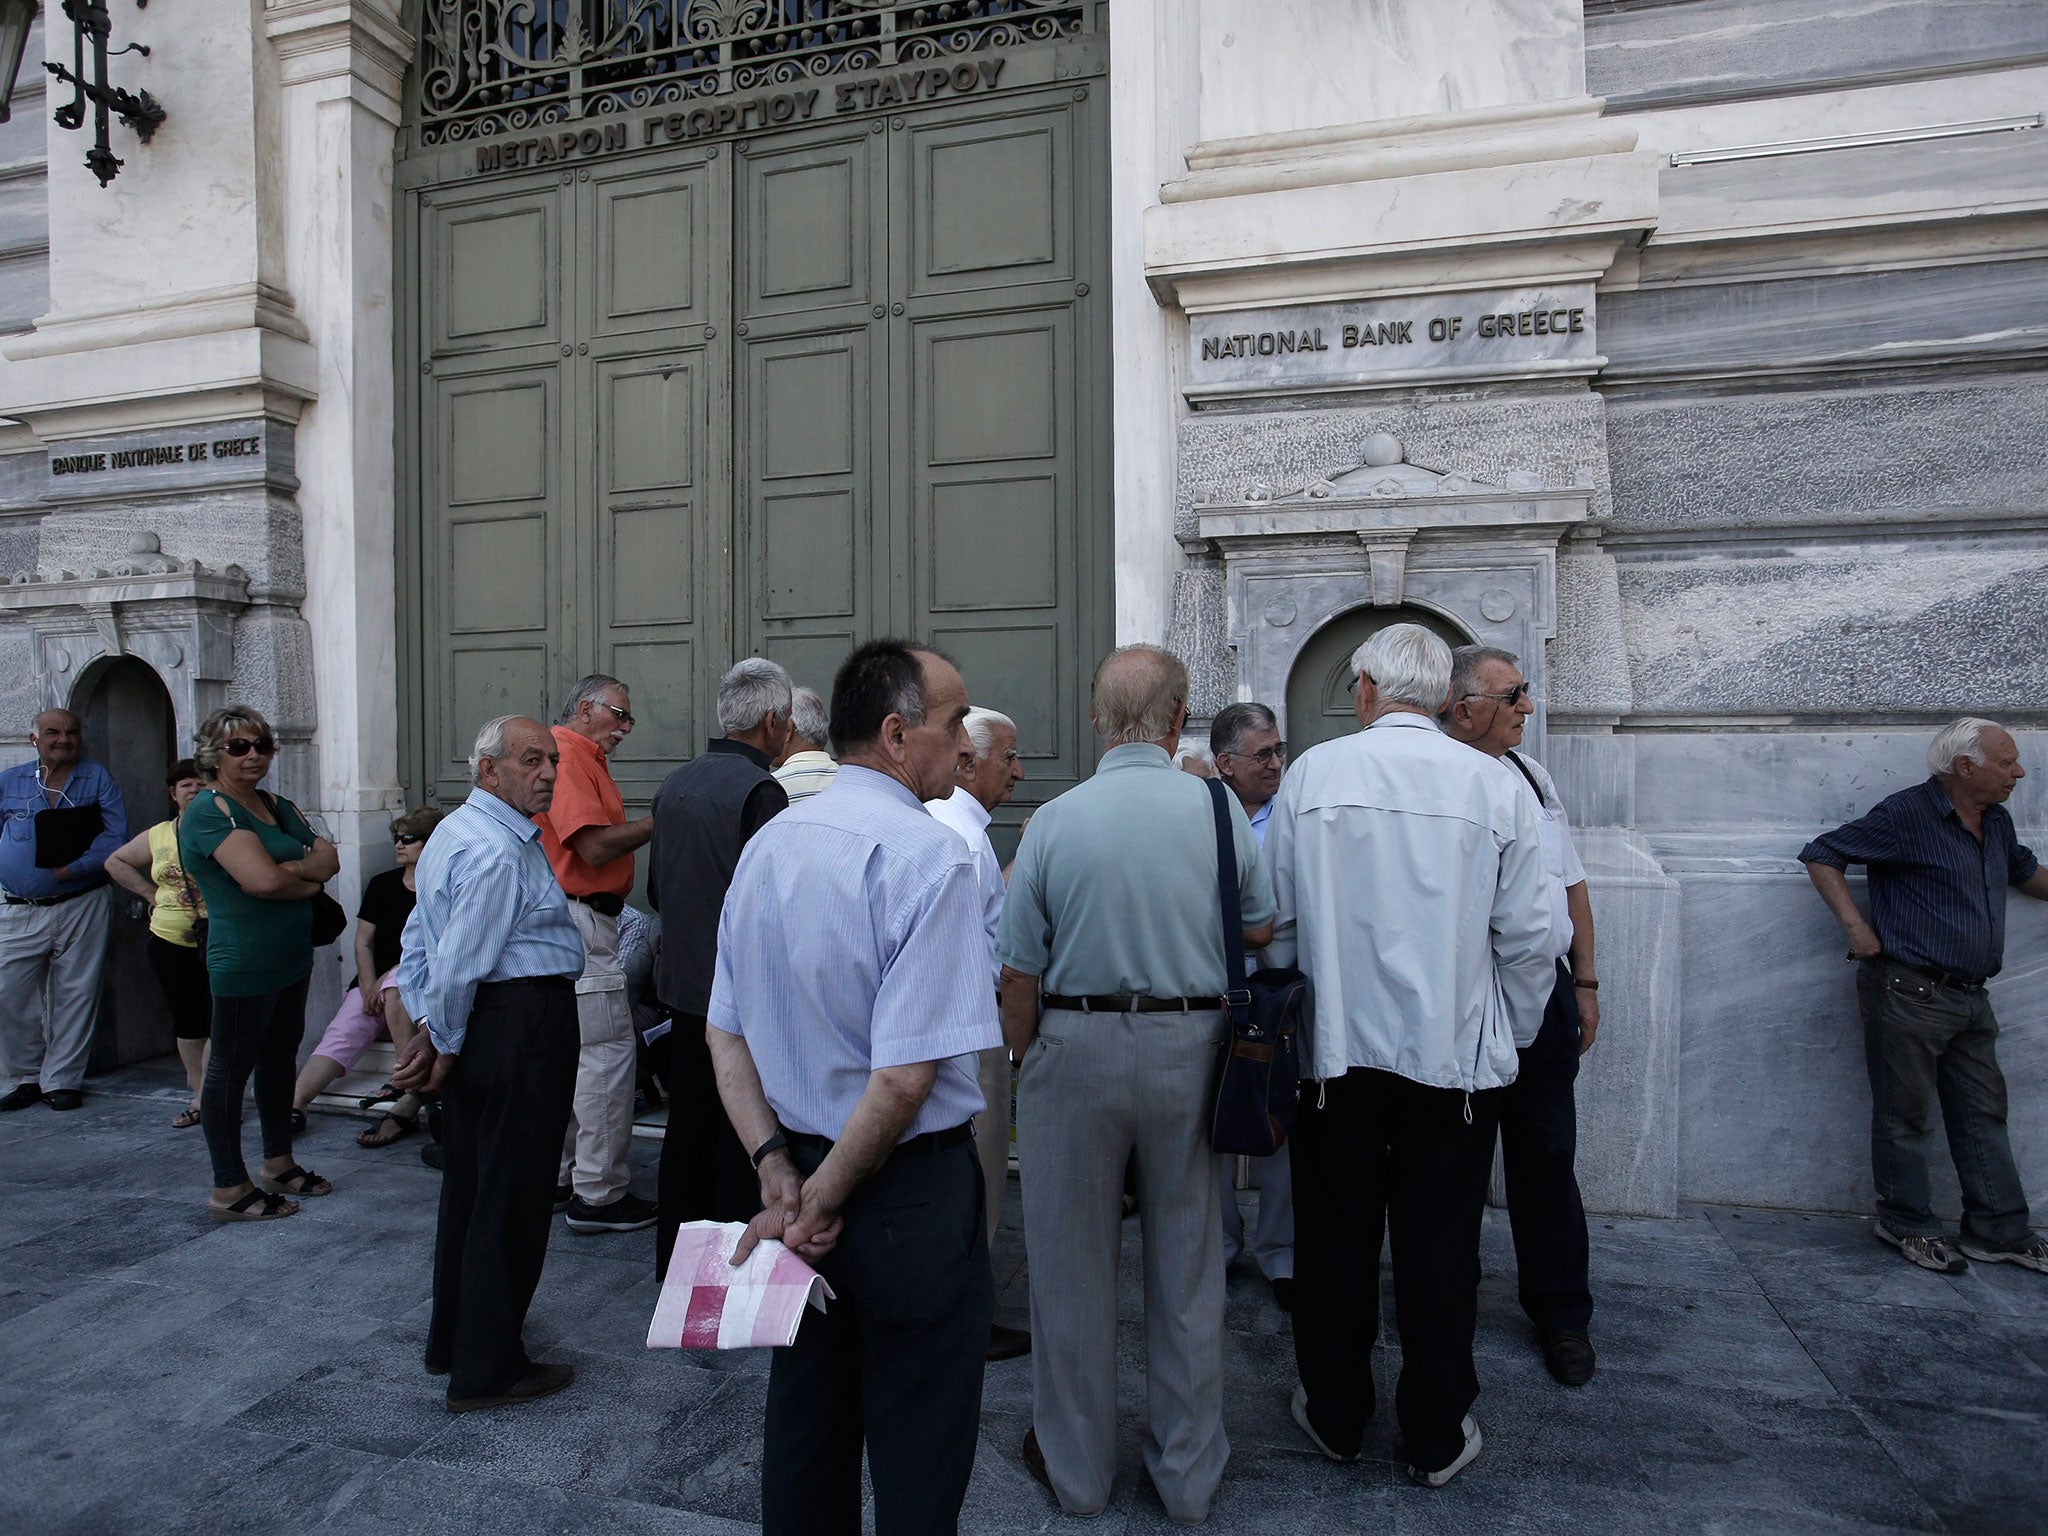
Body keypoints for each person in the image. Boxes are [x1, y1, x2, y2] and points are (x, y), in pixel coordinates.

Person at [707, 639, 997, 1536]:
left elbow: (726, 1029)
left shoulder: (771, 843)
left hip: (802, 1173)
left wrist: (777, 1172)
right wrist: (817, 1199)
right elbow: (906, 1077)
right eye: (954, 723)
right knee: (919, 1441)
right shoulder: (929, 856)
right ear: (897, 732)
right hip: (903, 1194)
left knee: (808, 1423)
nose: (965, 743)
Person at [1266, 623, 1553, 1488]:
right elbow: (1534, 934)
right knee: (1441, 1248)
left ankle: (1336, 1413)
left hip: (1335, 1057)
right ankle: (1433, 1430)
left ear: (1364, 690)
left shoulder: (1314, 774)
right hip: (1452, 1065)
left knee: (1334, 1244)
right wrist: (1516, 1032)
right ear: (1440, 698)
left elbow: (1275, 923)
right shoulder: (1493, 786)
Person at [997, 645, 1274, 1525]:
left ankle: (1077, 1476)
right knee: (1188, 1269)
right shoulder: (1218, 808)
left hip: (1072, 1043)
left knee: (1069, 1272)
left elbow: (1019, 975)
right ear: (1179, 714)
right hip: (1191, 1045)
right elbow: (1260, 926)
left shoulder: (1055, 819)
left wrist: (1024, 1064)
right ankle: (1186, 1477)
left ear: (1093, 718)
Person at [1800, 717, 2048, 1276]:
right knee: (1904, 1115)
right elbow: (1822, 853)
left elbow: (2025, 873)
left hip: (1971, 996)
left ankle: (1998, 1230)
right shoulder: (1908, 814)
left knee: (1984, 1114)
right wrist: (1857, 929)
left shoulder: (1995, 821)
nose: (2018, 771)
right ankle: (1906, 1222)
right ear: (1965, 767)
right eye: (2006, 762)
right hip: (1909, 989)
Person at [391, 716, 588, 1411]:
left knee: (474, 1192)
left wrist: (427, 1025)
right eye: (531, 761)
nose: (547, 774)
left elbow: (420, 940)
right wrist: (439, 1040)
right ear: (488, 771)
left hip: (488, 1024)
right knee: (512, 1197)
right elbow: (458, 957)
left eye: (553, 762)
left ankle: (457, 1342)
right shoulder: (497, 851)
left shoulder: (456, 834)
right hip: (517, 1024)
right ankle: (488, 1368)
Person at [1440, 646, 1601, 1384]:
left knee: (1546, 1154)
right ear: (1465, 708)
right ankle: (1449, 1298)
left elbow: (1571, 882)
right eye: (1514, 696)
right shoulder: (1440, 779)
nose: (1527, 708)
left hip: (1548, 989)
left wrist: (1588, 982)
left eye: (1524, 694)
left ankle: (1562, 1313)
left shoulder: (1534, 777)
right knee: (1455, 1159)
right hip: (1468, 993)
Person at [648, 657, 792, 1276]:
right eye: (786, 722)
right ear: (770, 721)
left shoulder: (676, 783)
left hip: (683, 989)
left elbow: (656, 891)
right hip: (736, 1001)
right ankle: (734, 1274)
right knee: (743, 1140)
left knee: (687, 1132)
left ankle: (676, 1266)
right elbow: (776, 906)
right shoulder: (760, 791)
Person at [179, 706, 341, 1222]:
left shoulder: (275, 803)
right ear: (213, 754)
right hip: (244, 961)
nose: (253, 756)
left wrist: (290, 870)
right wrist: (301, 878)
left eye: (262, 745)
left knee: (278, 1060)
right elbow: (260, 883)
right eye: (238, 747)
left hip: (291, 957)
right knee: (228, 1074)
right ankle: (228, 1187)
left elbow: (328, 857)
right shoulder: (209, 811)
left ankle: (278, 1162)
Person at [535, 674, 657, 1235]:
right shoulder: (567, 754)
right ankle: (599, 1194)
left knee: (577, 1054)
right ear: (586, 708)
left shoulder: (576, 756)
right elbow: (592, 844)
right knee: (605, 1056)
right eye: (619, 715)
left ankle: (565, 1177)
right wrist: (663, 820)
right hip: (581, 918)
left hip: (573, 918)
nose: (626, 729)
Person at [928, 704, 1030, 1362]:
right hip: (969, 1028)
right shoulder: (958, 835)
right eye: (1009, 758)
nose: (1018, 772)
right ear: (967, 762)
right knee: (979, 1175)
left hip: (956, 1026)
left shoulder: (952, 826)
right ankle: (962, 1312)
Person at [289, 806, 445, 1147]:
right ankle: (297, 1103)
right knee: (343, 1029)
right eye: (396, 838)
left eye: (408, 838)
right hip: (375, 984)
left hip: (419, 986)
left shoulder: (443, 886)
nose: (399, 845)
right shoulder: (382, 884)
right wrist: (367, 982)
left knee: (397, 986)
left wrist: (386, 978)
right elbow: (363, 941)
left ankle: (407, 1084)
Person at [1209, 701, 1295, 1312]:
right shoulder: (1197, 814)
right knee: (1208, 1122)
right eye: (1261, 754)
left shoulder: (1294, 818)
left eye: (1278, 751)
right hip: (1211, 987)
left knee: (1280, 1119)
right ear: (1225, 763)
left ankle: (1282, 1254)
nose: (1275, 764)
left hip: (1276, 991)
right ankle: (1215, 1247)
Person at [0, 707, 127, 1113]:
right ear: (33, 738)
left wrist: (71, 869)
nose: (63, 739)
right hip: (19, 907)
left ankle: (62, 1080)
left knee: (76, 992)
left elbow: (115, 836)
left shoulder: (97, 778)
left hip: (81, 901)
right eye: (52, 732)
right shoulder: (10, 780)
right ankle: (25, 1075)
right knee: (9, 992)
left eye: (71, 732)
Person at [105, 759, 210, 1127]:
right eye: (186, 786)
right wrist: (152, 895)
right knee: (188, 1021)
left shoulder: (224, 831)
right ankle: (200, 1095)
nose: (193, 791)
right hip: (169, 939)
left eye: (200, 784)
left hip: (222, 937)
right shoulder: (159, 834)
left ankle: (217, 1094)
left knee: (221, 1018)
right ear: (173, 794)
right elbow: (115, 862)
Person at [770, 685, 838, 803]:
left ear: (788, 730)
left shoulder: (771, 789)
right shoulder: (850, 782)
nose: (768, 733)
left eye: (773, 725)